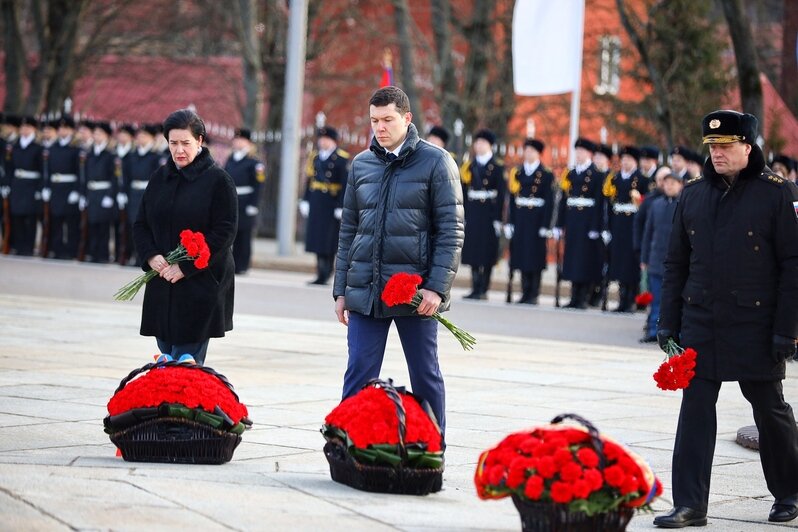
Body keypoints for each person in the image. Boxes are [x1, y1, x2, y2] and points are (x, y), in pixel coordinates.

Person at [654, 110, 798, 528]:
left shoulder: (776, 193)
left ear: (748, 148)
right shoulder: (694, 193)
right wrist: (668, 322)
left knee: (769, 409)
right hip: (702, 321)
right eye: (713, 147)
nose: (717, 154)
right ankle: (690, 505)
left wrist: (787, 330)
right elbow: (676, 262)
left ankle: (788, 490)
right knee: (695, 411)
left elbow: (793, 266)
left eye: (726, 146)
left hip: (756, 323)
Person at [333, 86, 464, 434]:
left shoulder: (436, 162)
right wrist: (341, 290)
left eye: (388, 119)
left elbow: (451, 230)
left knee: (424, 373)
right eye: (375, 120)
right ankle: (346, 442)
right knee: (359, 371)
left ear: (407, 118)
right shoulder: (361, 164)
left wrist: (436, 288)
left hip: (415, 294)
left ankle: (434, 445)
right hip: (365, 290)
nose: (380, 127)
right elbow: (349, 231)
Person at [133, 109, 237, 366]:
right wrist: (152, 255)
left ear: (200, 141)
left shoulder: (217, 180)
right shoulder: (160, 178)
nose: (179, 150)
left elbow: (224, 232)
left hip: (200, 283)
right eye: (173, 143)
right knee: (165, 357)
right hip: (162, 281)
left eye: (185, 143)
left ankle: (184, 405)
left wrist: (186, 266)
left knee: (186, 362)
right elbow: (141, 223)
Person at [554, 137, 604, 309]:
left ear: (589, 154)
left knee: (584, 259)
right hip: (573, 220)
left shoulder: (596, 175)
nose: (579, 155)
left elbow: (598, 203)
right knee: (572, 258)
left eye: (582, 151)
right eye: (577, 151)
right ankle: (574, 295)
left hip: (587, 221)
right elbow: (563, 200)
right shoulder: (571, 173)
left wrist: (596, 226)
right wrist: (559, 224)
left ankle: (583, 296)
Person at [506, 138, 555, 304]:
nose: (528, 154)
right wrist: (510, 221)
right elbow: (512, 199)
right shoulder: (518, 172)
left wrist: (546, 225)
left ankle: (534, 292)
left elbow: (550, 201)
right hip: (521, 218)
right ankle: (524, 290)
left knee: (535, 256)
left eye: (532, 151)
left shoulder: (546, 174)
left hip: (536, 219)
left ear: (538, 154)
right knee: (521, 255)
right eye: (526, 150)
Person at [299, 126, 349, 284]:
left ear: (332, 140)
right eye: (320, 139)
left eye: (326, 139)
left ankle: (326, 271)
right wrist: (305, 200)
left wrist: (341, 206)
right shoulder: (315, 157)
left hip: (331, 202)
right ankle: (320, 271)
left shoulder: (341, 158)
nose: (322, 142)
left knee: (329, 239)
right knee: (316, 238)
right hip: (316, 201)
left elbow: (345, 184)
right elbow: (310, 180)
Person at [460, 128, 505, 300]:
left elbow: (501, 194)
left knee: (487, 250)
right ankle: (474, 286)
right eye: (477, 143)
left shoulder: (497, 167)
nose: (479, 146)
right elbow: (464, 191)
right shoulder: (469, 166)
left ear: (490, 146)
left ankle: (483, 288)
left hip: (489, 212)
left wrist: (499, 218)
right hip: (473, 211)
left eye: (483, 143)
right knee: (473, 250)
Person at [603, 145, 649, 312]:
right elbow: (609, 204)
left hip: (633, 224)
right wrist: (606, 228)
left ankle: (631, 299)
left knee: (631, 263)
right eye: (623, 160)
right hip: (618, 223)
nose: (625, 162)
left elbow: (646, 205)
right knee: (619, 261)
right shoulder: (615, 178)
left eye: (629, 159)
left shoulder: (642, 179)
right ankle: (622, 299)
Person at [639, 172, 682, 342]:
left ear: (680, 185)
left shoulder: (682, 204)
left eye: (673, 183)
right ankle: (652, 331)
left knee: (673, 301)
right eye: (667, 183)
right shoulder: (656, 205)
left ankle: (673, 334)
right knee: (655, 299)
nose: (669, 186)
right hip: (656, 259)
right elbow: (648, 233)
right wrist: (644, 258)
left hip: (674, 262)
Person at [224, 128, 265, 274]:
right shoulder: (231, 158)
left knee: (244, 234)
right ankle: (232, 264)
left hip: (246, 201)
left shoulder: (253, 162)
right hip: (231, 200)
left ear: (248, 142)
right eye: (236, 139)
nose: (238, 142)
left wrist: (253, 204)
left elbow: (258, 185)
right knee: (231, 233)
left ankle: (243, 265)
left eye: (241, 139)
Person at [122, 124, 163, 266]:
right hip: (134, 193)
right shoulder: (132, 156)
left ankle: (145, 257)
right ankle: (134, 255)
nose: (140, 138)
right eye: (139, 135)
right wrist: (124, 193)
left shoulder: (156, 156)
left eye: (144, 135)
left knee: (149, 226)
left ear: (152, 138)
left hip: (149, 194)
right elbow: (126, 177)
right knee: (134, 225)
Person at [42, 116, 82, 260]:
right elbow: (47, 170)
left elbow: (80, 172)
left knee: (71, 222)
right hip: (55, 187)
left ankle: (71, 250)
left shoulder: (76, 148)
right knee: (56, 220)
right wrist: (46, 187)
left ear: (71, 130)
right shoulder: (52, 148)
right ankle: (56, 249)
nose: (62, 131)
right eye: (60, 128)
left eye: (65, 128)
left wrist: (77, 190)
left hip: (69, 187)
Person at [7, 116, 43, 256]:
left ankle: (28, 246)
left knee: (30, 217)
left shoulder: (38, 147)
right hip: (17, 184)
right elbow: (9, 168)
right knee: (16, 216)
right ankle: (17, 244)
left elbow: (42, 170)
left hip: (31, 185)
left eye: (27, 127)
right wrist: (7, 184)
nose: (24, 130)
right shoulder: (15, 146)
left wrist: (40, 188)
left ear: (33, 129)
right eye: (22, 127)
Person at [83, 121, 118, 263]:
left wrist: (110, 195)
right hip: (92, 192)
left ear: (106, 136)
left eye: (99, 133)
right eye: (95, 133)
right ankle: (93, 252)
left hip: (104, 192)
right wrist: (84, 194)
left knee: (103, 225)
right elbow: (84, 176)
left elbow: (114, 177)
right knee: (92, 224)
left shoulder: (110, 155)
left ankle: (103, 255)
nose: (96, 136)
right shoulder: (89, 154)